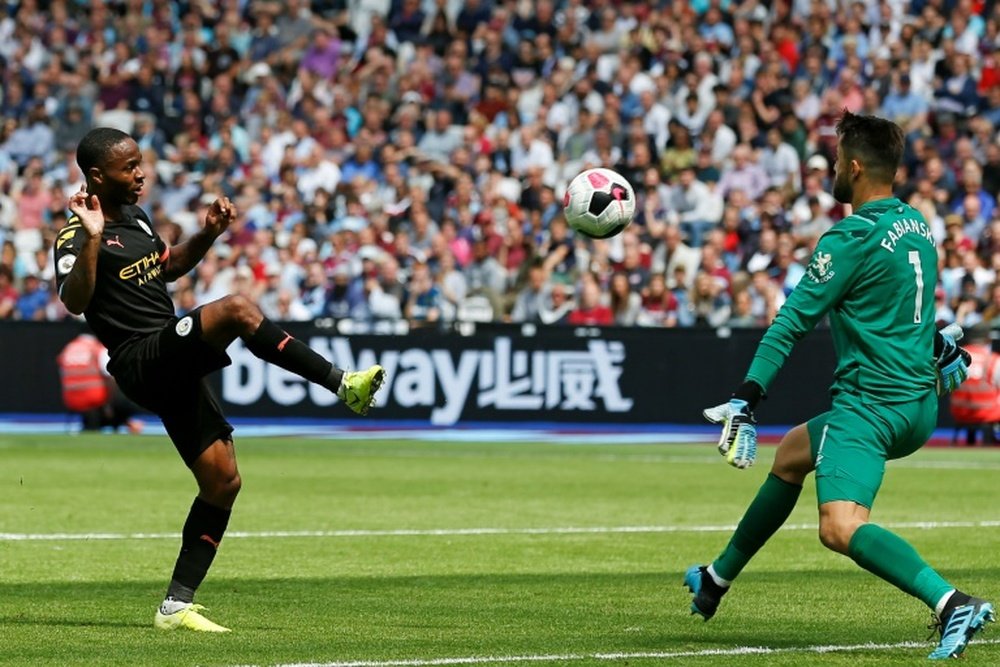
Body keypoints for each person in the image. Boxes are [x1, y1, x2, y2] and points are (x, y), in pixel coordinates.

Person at [686, 112, 992, 661]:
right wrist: (934, 348)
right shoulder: (918, 226)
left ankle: (951, 603)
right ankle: (717, 577)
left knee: (839, 526)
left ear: (853, 167)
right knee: (791, 455)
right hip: (919, 402)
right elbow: (903, 313)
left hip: (872, 406)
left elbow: (791, 322)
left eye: (833, 161)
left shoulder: (852, 235)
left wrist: (746, 396)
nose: (831, 169)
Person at [55, 128, 386, 633]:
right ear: (98, 175)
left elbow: (168, 269)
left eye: (141, 162)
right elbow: (75, 301)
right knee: (235, 308)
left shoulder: (139, 218)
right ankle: (344, 384)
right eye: (129, 167)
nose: (141, 173)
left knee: (223, 480)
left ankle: (175, 606)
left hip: (167, 352)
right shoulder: (75, 234)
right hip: (138, 358)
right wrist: (94, 236)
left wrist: (208, 232)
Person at [57, 332, 144, 433]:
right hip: (94, 398)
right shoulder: (97, 348)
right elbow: (110, 377)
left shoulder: (68, 348)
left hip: (71, 400)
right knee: (130, 399)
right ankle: (120, 423)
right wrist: (109, 405)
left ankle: (119, 423)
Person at [949, 323, 1000, 445]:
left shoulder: (955, 357)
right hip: (988, 412)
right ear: (988, 339)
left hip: (959, 411)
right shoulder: (993, 359)